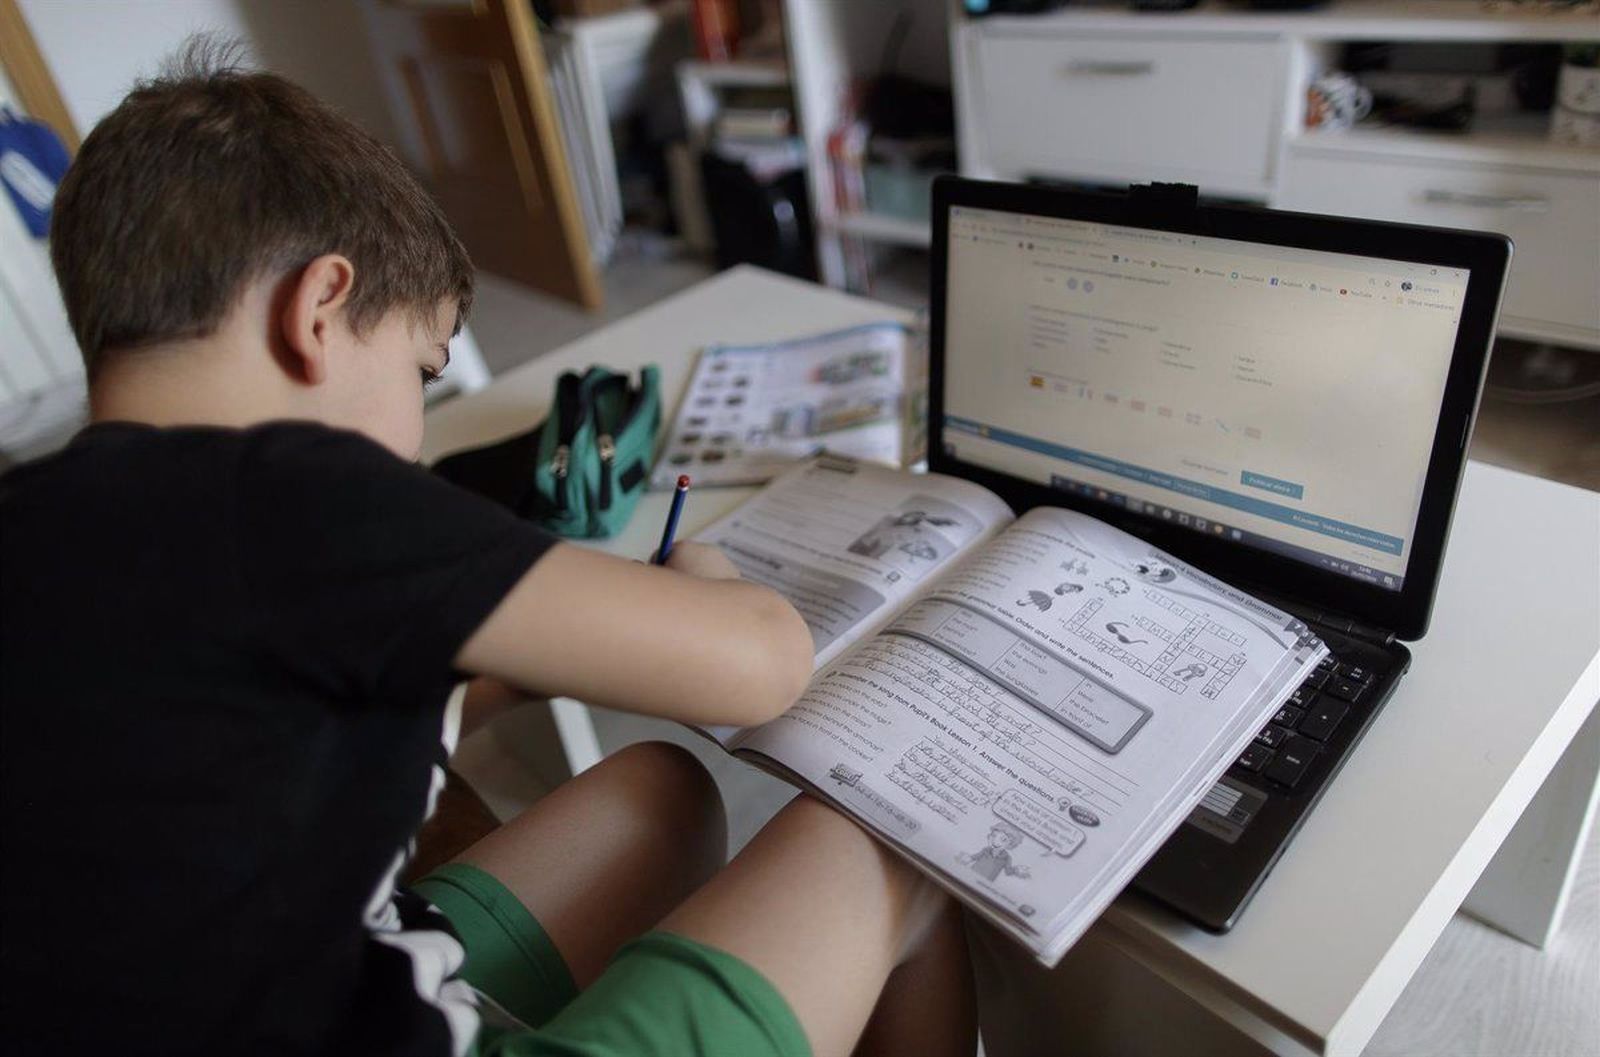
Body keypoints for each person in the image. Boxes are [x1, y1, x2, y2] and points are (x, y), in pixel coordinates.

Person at [0, 42, 977, 1057]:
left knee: (661, 791)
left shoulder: (44, 517)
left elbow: (305, 728)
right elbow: (761, 666)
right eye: (422, 373)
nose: (416, 435)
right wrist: (705, 581)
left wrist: (544, 648)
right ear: (319, 311)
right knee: (884, 848)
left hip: (279, 982)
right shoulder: (291, 491)